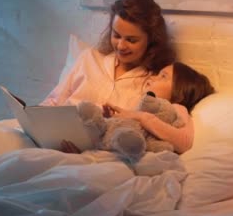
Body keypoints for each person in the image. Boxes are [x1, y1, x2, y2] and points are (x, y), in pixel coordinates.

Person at [40, 0, 175, 110]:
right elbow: (54, 101)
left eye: (131, 40)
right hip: (61, 132)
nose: (121, 46)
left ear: (151, 40)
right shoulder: (89, 58)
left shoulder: (152, 82)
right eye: (116, 35)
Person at [63, 62, 215, 154]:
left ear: (179, 91)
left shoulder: (177, 108)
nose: (152, 77)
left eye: (163, 76)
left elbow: (184, 142)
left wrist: (140, 117)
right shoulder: (140, 107)